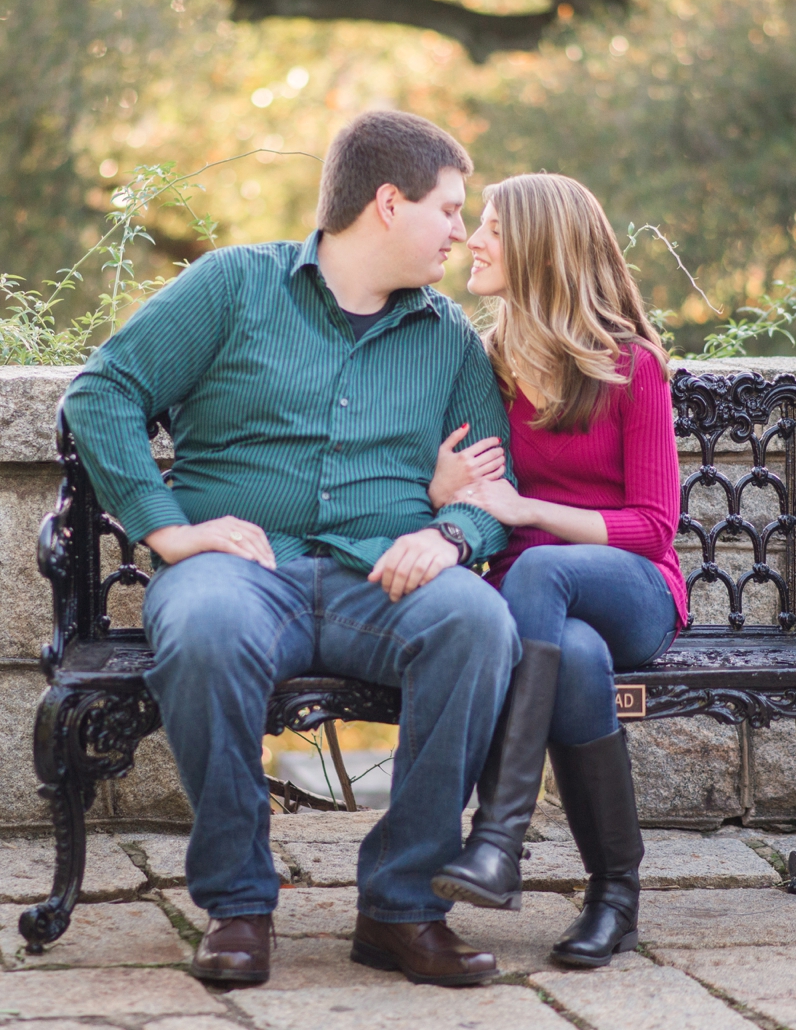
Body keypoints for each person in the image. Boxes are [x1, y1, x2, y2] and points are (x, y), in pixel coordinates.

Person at [62, 111, 532, 988]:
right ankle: (240, 906)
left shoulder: (451, 342)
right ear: (388, 203)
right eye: (450, 209)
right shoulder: (236, 286)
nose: (461, 232)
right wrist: (167, 530)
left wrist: (450, 535)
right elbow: (104, 390)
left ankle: (401, 908)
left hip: (381, 578)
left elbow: (491, 495)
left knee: (477, 622)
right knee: (202, 629)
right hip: (240, 573)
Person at [426, 173, 686, 968]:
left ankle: (498, 835)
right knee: (573, 658)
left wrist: (531, 512)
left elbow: (651, 527)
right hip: (543, 611)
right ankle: (615, 897)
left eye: (494, 227)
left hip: (633, 589)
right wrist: (444, 491)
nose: (474, 239)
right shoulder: (487, 366)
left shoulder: (629, 367)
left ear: (541, 247)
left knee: (542, 575)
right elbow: (456, 487)